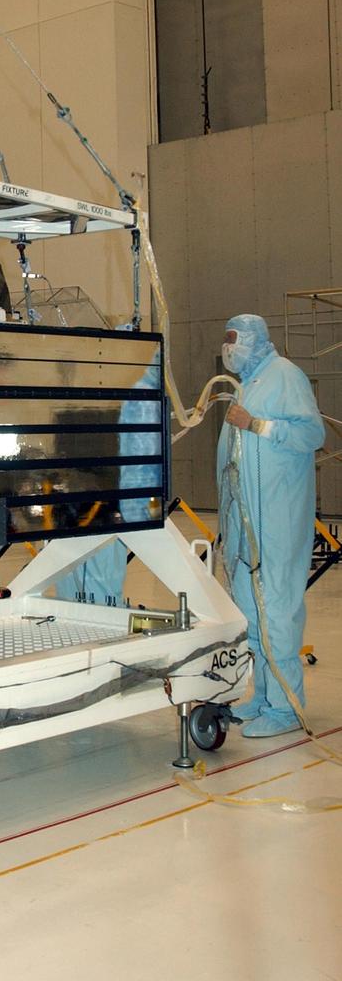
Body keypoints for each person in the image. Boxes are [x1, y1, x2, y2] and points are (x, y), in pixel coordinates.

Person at [217, 314, 325, 738]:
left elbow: (312, 434)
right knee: (252, 614)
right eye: (225, 341)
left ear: (256, 340)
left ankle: (285, 708)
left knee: (276, 611)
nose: (229, 349)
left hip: (276, 520)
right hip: (245, 528)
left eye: (235, 340)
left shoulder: (284, 375)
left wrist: (258, 425)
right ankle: (263, 697)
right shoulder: (248, 384)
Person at [56, 361, 163, 605]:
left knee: (101, 587)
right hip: (80, 510)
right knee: (71, 587)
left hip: (107, 511)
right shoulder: (82, 414)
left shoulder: (136, 402)